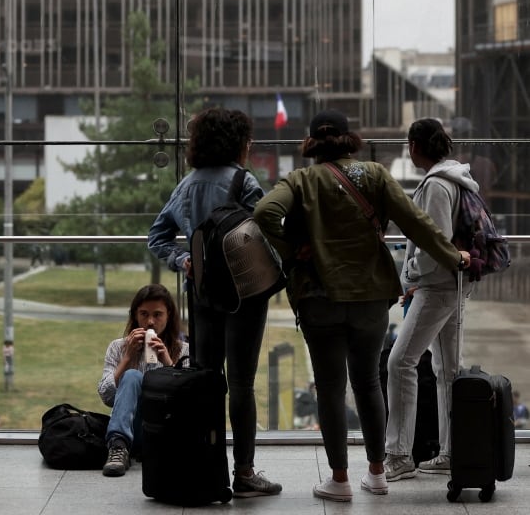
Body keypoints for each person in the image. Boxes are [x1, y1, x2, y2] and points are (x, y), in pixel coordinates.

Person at [253, 110, 471, 502]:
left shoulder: (301, 180)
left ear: (312, 143)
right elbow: (417, 223)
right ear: (348, 138)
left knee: (332, 390)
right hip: (371, 297)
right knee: (369, 382)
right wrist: (452, 256)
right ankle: (376, 473)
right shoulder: (374, 174)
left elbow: (264, 212)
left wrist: (293, 250)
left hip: (320, 298)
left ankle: (339, 480)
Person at [148, 107, 283, 497]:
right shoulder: (244, 182)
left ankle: (205, 466)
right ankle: (244, 474)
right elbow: (268, 231)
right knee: (242, 384)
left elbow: (157, 236)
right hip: (244, 296)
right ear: (237, 142)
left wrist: (183, 260)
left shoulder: (187, 185)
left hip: (202, 294)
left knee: (207, 381)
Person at [384, 118, 482, 481]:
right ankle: (452, 452)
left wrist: (409, 273)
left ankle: (397, 454)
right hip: (453, 285)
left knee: (400, 362)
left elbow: (435, 244)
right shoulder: (457, 178)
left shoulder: (436, 186)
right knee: (447, 370)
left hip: (437, 287)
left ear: (414, 146)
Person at [97, 284, 188, 477]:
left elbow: (185, 403)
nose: (150, 322)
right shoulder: (118, 348)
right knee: (131, 376)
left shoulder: (184, 351)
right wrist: (127, 359)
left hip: (165, 430)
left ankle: (129, 447)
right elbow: (106, 397)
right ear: (135, 315)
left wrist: (169, 364)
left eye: (157, 314)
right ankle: (118, 447)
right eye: (144, 314)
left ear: (169, 315)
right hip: (132, 428)